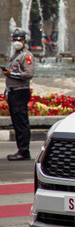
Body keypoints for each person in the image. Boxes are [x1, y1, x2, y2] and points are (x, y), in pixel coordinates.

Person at [2, 28, 35, 161]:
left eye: (19, 39)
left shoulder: (26, 56)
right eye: (15, 39)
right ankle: (20, 149)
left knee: (21, 122)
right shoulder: (15, 54)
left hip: (21, 91)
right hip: (13, 92)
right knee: (16, 122)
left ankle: (24, 151)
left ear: (24, 41)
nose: (17, 42)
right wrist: (7, 90)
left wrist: (11, 74)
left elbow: (28, 74)